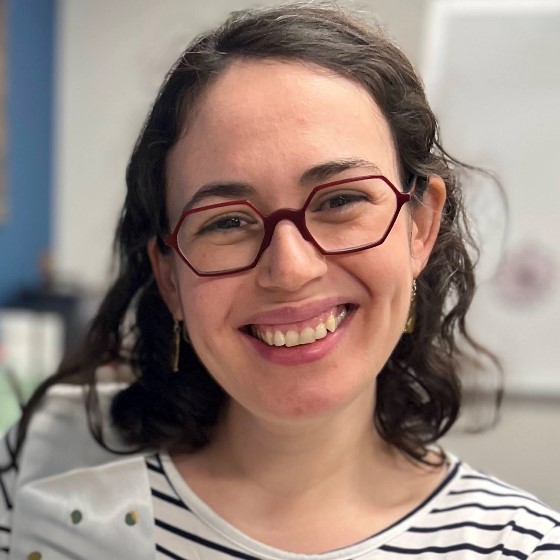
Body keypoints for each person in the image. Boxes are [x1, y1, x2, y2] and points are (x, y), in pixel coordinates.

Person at [1, 2, 559, 559]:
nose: (290, 268)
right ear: (169, 276)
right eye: (227, 221)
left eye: (341, 200)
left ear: (419, 227)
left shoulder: (523, 548)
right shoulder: (46, 468)